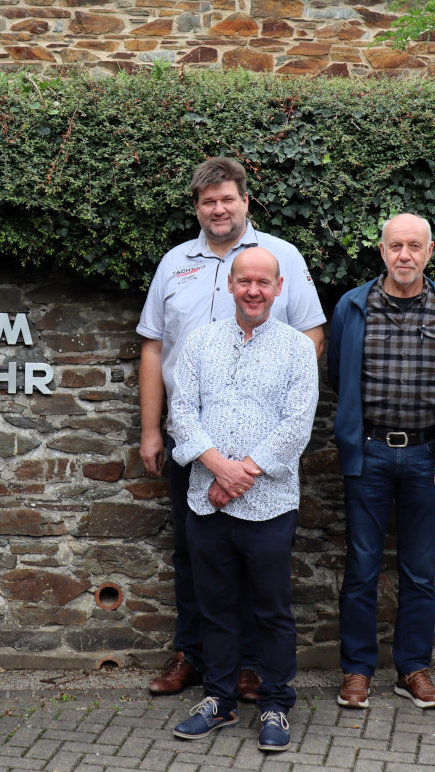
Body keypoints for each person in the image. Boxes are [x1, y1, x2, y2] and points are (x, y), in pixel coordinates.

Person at [137, 157, 326, 701]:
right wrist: (155, 431)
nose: (218, 210)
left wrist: (255, 453)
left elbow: (311, 337)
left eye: (228, 199)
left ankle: (246, 666)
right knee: (193, 552)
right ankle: (193, 656)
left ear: (246, 200)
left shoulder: (281, 257)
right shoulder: (175, 263)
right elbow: (154, 347)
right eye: (207, 201)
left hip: (262, 452)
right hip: (192, 442)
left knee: (256, 561)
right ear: (197, 208)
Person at [167, 247, 318, 752]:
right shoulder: (200, 343)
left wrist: (241, 473)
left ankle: (276, 703)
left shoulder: (298, 348)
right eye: (244, 281)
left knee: (272, 609)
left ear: (278, 288)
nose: (253, 290)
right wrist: (217, 467)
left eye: (263, 282)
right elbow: (181, 413)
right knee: (215, 608)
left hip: (270, 503)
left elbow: (297, 425)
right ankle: (219, 699)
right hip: (205, 500)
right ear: (230, 285)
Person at [328, 214, 435, 710]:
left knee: (419, 570)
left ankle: (412, 669)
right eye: (395, 246)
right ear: (381, 251)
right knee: (362, 566)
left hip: (426, 455)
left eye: (415, 246)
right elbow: (337, 376)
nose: (404, 255)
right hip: (367, 453)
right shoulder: (352, 305)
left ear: (430, 252)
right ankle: (357, 671)